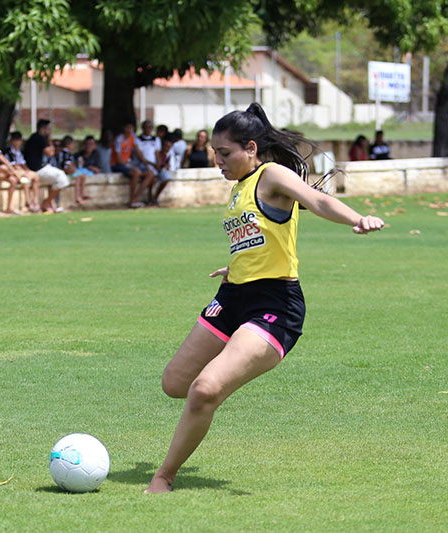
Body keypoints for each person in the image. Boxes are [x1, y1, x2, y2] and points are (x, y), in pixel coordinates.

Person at [144, 103, 384, 493]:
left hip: (275, 305)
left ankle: (163, 477)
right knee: (174, 383)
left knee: (205, 389)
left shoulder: (271, 175)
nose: (217, 162)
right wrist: (236, 266)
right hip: (234, 294)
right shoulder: (239, 189)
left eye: (224, 154)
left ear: (251, 148)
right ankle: (212, 393)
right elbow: (257, 240)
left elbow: (316, 200)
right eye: (215, 155)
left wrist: (357, 218)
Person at [23, 119, 69, 213]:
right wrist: (49, 140)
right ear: (43, 129)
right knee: (62, 178)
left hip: (39, 168)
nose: (50, 131)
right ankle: (47, 202)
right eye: (48, 129)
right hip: (37, 169)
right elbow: (50, 153)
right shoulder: (39, 138)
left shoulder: (34, 137)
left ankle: (52, 203)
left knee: (57, 179)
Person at [111, 121, 155, 208]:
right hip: (117, 164)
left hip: (128, 163)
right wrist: (131, 166)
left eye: (131, 128)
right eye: (127, 128)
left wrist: (146, 165)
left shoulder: (133, 137)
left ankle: (136, 197)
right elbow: (119, 160)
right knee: (136, 173)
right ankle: (131, 200)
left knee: (150, 174)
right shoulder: (119, 140)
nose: (129, 130)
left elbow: (138, 152)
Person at [6, 131, 41, 212]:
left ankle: (35, 200)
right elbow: (13, 165)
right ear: (11, 141)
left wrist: (27, 170)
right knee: (25, 179)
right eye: (15, 140)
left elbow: (23, 164)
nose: (17, 142)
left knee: (35, 176)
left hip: (21, 170)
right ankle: (28, 201)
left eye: (18, 140)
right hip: (14, 171)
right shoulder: (8, 152)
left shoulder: (20, 152)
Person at [59, 135, 92, 205]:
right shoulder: (64, 153)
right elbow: (66, 164)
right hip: (65, 170)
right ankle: (77, 197)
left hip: (69, 169)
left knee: (83, 176)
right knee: (78, 176)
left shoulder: (68, 153)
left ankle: (82, 194)